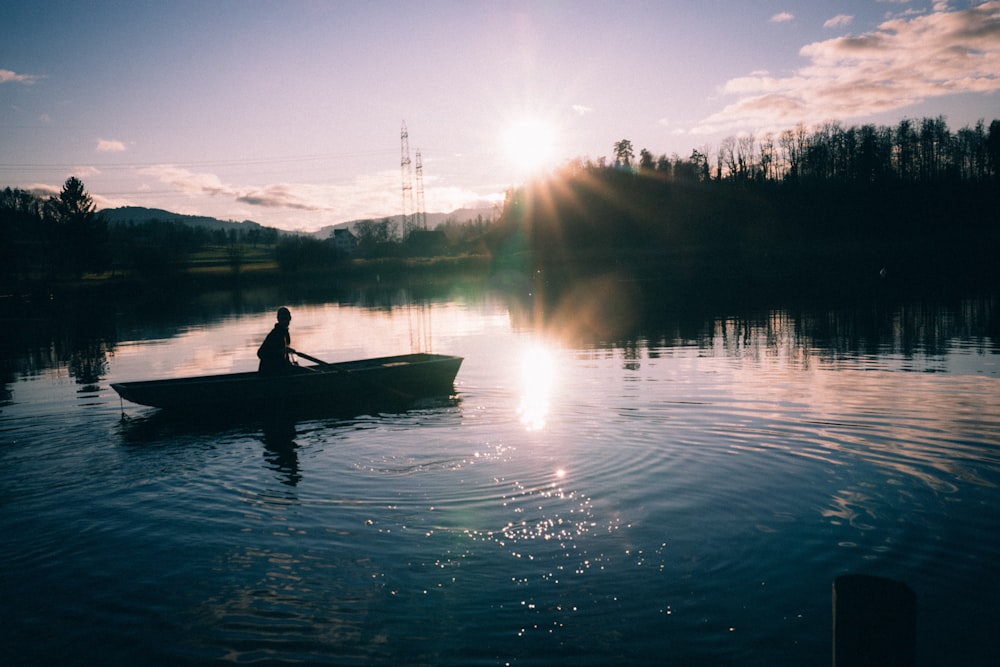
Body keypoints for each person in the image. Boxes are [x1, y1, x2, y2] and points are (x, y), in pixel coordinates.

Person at [257, 307, 295, 374]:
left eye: (286, 318)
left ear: (290, 318)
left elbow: (284, 357)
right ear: (278, 319)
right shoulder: (275, 334)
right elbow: (260, 353)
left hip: (279, 369)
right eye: (282, 318)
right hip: (269, 372)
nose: (285, 320)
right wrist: (280, 352)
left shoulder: (285, 333)